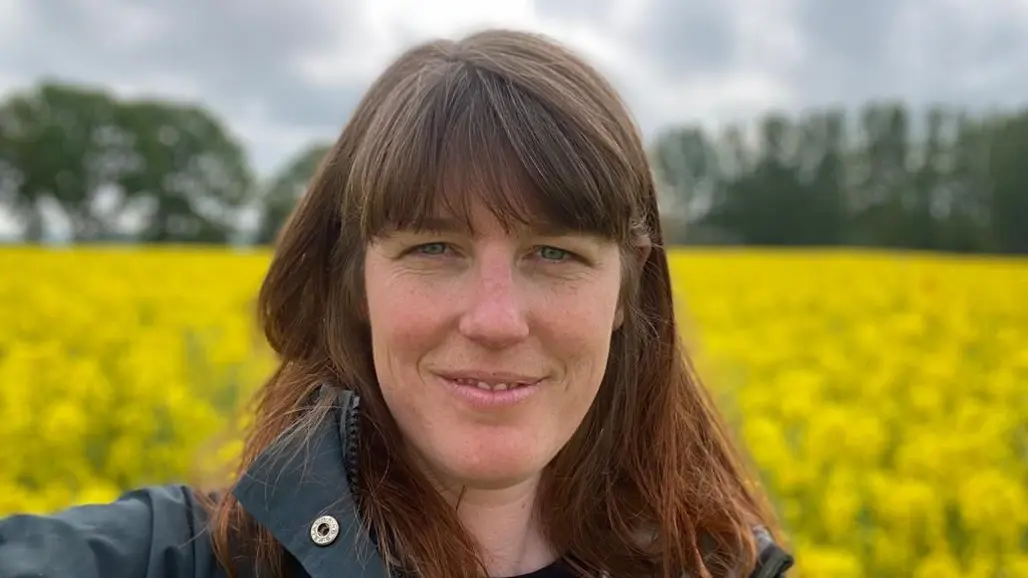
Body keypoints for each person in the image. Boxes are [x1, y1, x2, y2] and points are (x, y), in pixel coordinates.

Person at [0, 28, 793, 578]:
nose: (494, 320)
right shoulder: (181, 560)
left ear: (627, 289)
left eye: (554, 254)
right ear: (355, 286)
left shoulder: (723, 567)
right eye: (433, 249)